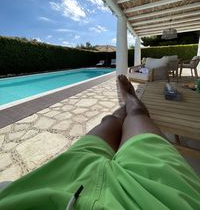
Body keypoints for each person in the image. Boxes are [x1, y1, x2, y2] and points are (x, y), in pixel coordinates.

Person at [0, 75, 199, 209]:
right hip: (157, 193)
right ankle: (131, 101)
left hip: (61, 179)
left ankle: (127, 101)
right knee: (137, 115)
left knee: (109, 120)